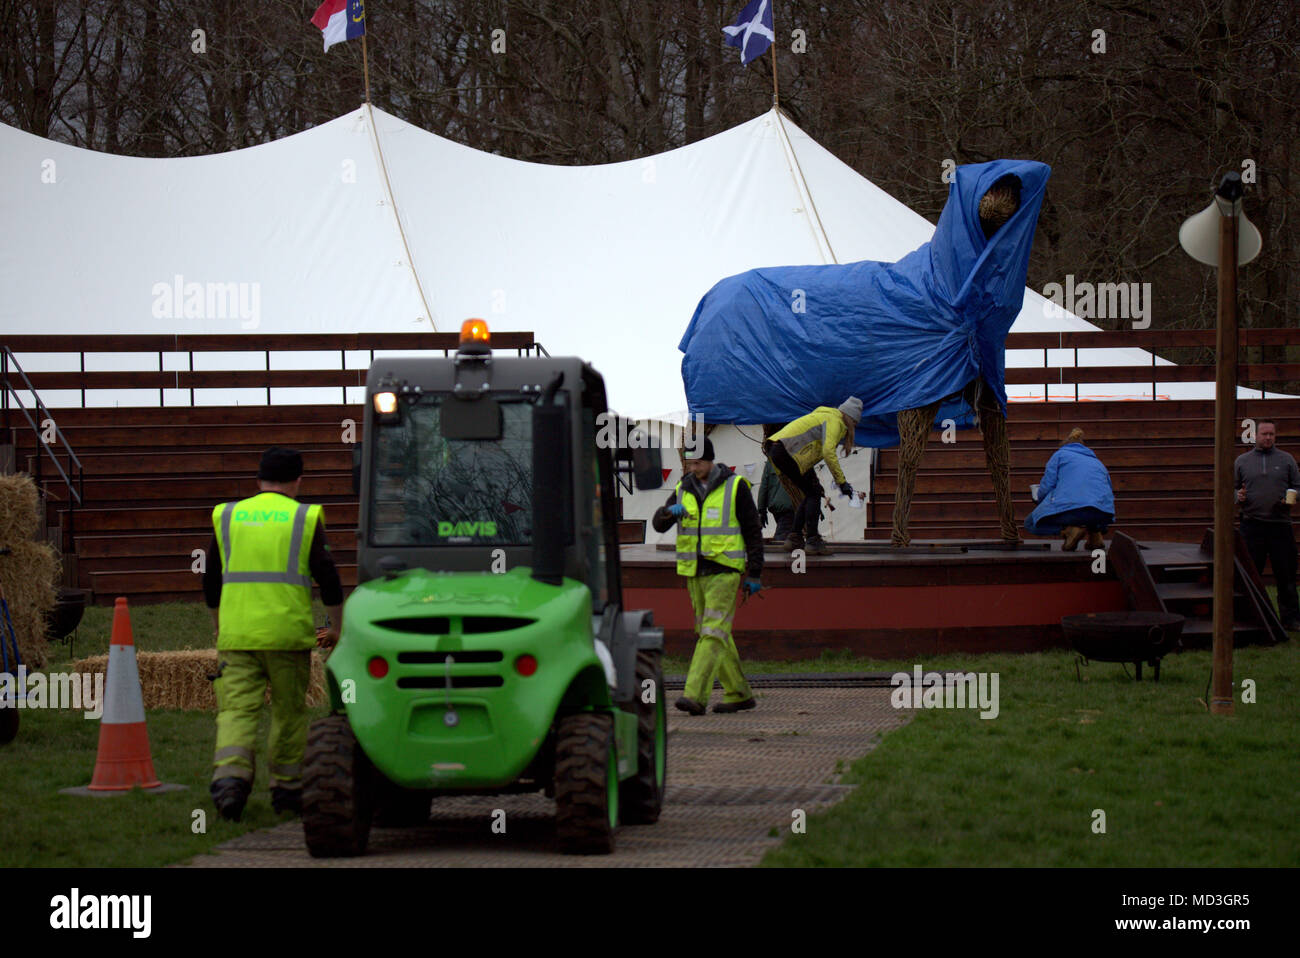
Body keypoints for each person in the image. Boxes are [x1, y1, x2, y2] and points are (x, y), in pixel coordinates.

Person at [203, 446, 343, 821]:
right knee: (288, 713)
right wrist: (335, 627)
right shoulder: (304, 517)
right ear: (298, 481)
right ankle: (286, 790)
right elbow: (328, 576)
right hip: (287, 636)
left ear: (258, 479)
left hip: (238, 637)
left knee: (236, 711)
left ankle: (230, 783)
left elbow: (211, 578)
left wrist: (219, 625)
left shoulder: (228, 515)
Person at [651, 437, 764, 715]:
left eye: (698, 462)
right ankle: (739, 693)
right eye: (689, 462)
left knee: (712, 631)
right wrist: (667, 513)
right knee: (711, 632)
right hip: (695, 572)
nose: (693, 467)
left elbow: (753, 531)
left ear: (711, 460)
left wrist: (755, 572)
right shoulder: (682, 488)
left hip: (725, 569)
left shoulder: (735, 486)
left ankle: (695, 695)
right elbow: (658, 524)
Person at [763, 398, 862, 555]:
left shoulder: (825, 416)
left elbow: (811, 450)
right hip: (788, 452)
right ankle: (812, 540)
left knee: (812, 491)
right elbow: (828, 452)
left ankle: (795, 537)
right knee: (813, 493)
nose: (853, 428)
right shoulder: (835, 420)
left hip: (780, 450)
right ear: (851, 418)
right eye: (855, 424)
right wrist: (842, 483)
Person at [1234, 419, 1300, 630]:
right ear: (1255, 435)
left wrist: (1292, 497)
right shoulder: (1242, 461)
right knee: (1250, 575)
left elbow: (1298, 487)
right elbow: (1231, 489)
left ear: (1275, 436)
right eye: (1264, 434)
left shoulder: (1287, 460)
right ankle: (1250, 619)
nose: (1268, 438)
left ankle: (1291, 620)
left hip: (1280, 525)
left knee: (1286, 575)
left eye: (1271, 434)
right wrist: (1239, 496)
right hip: (1252, 526)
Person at [1024, 428, 1114, 551]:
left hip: (1073, 510)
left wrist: (1039, 499)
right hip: (1102, 514)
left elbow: (1047, 486)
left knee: (1030, 523)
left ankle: (1070, 531)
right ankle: (1095, 535)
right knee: (1090, 508)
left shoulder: (1059, 455)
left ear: (1064, 445)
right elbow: (1107, 490)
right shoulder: (1097, 462)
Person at [756, 424, 796, 543]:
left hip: (776, 507)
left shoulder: (770, 461)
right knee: (784, 537)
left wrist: (761, 511)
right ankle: (782, 558)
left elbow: (764, 487)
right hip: (791, 505)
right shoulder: (796, 458)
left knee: (790, 533)